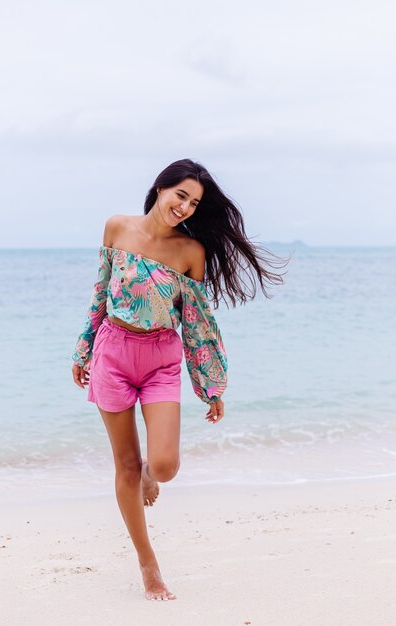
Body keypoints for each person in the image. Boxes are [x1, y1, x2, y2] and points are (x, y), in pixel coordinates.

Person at [71, 158, 284, 601]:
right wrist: (83, 347)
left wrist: (212, 386)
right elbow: (100, 290)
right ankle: (149, 567)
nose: (185, 207)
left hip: (160, 360)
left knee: (163, 467)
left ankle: (149, 473)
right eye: (180, 195)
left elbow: (197, 324)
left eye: (194, 202)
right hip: (112, 352)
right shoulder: (116, 228)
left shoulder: (191, 253)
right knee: (125, 467)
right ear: (160, 188)